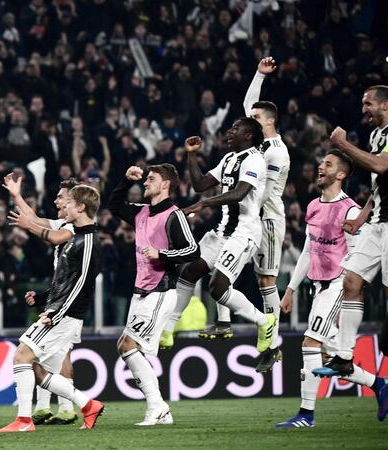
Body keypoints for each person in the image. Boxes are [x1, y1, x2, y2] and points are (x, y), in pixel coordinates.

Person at [276, 150, 388, 428]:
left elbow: (356, 257)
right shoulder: (313, 205)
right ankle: (379, 384)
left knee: (309, 343)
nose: (320, 167)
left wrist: (344, 299)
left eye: (328, 164)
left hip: (337, 286)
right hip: (317, 287)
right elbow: (307, 250)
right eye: (321, 162)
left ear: (341, 174)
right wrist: (290, 288)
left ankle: (306, 415)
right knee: (333, 357)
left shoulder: (350, 210)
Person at [0, 185, 104, 433]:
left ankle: (24, 421)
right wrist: (46, 296)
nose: (62, 205)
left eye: (67, 202)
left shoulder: (87, 240)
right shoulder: (76, 236)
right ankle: (87, 405)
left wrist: (58, 311)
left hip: (64, 314)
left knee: (22, 356)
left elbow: (82, 282)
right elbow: (66, 280)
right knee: (35, 367)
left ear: (81, 207)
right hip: (59, 309)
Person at [207, 57, 291, 373]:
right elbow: (248, 103)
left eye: (254, 117)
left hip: (266, 219)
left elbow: (265, 193)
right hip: (245, 216)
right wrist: (258, 74)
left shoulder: (276, 152)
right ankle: (224, 321)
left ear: (266, 121)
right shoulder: (252, 145)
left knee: (266, 280)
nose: (247, 119)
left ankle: (272, 345)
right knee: (218, 262)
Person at [107, 164, 199, 425]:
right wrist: (125, 180)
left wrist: (163, 254)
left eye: (151, 179)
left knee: (127, 345)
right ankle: (161, 410)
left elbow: (193, 251)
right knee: (125, 347)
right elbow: (113, 205)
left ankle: (156, 406)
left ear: (165, 184)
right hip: (141, 291)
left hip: (161, 290)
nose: (145, 183)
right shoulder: (142, 212)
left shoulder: (174, 215)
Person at [175, 122, 277, 353]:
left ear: (249, 135)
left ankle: (264, 321)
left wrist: (203, 204)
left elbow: (240, 192)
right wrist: (192, 156)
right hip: (224, 231)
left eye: (236, 128)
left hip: (245, 232)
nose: (230, 131)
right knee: (189, 270)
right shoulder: (230, 158)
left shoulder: (254, 160)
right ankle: (168, 328)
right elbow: (200, 184)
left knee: (217, 287)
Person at [313, 85, 388, 377]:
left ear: (385, 105)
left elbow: (381, 166)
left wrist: (343, 145)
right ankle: (344, 357)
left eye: (368, 104)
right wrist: (362, 218)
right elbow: (380, 184)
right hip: (377, 223)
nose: (363, 109)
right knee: (351, 283)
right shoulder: (376, 135)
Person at [4, 175, 81, 425]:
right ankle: (45, 407)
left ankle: (70, 407)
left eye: (61, 196)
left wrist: (29, 226)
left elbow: (52, 236)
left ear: (74, 200)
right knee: (46, 355)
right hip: (59, 297)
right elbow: (35, 219)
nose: (56, 199)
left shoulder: (76, 227)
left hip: (69, 303)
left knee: (59, 354)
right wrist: (16, 196)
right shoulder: (64, 222)